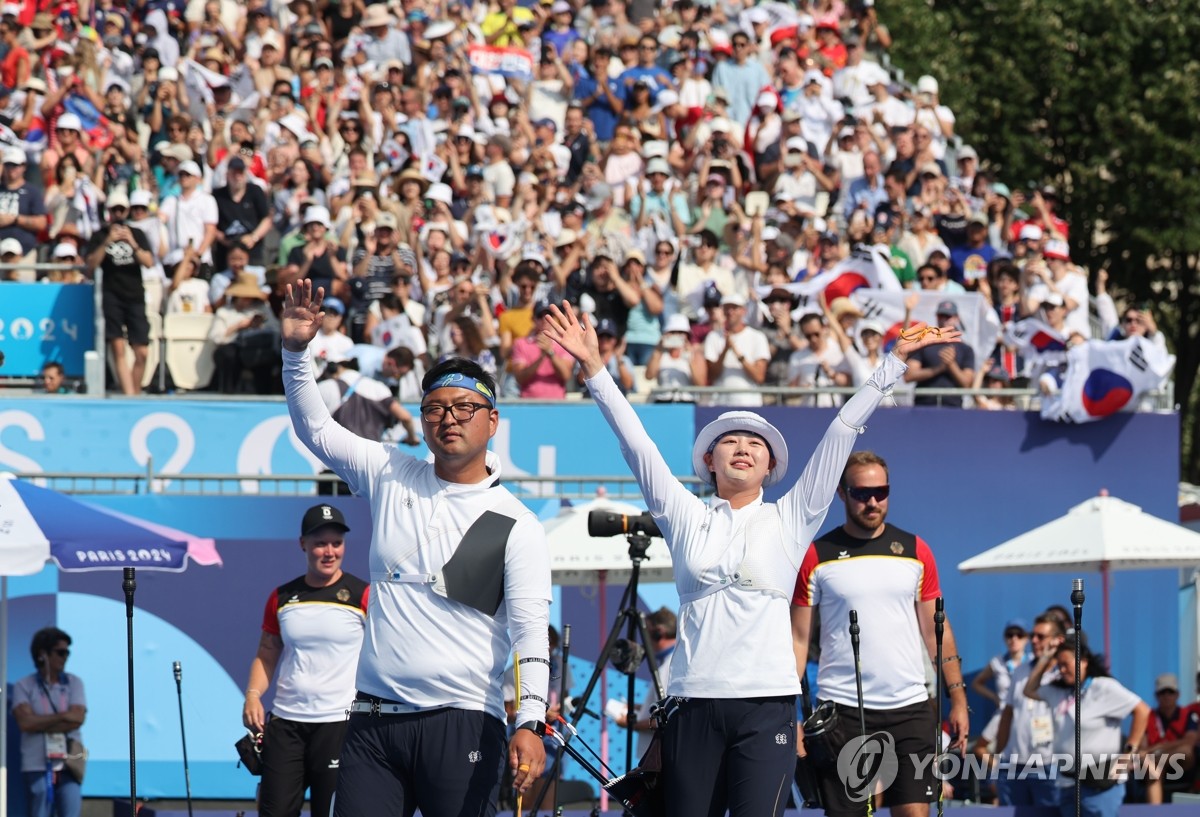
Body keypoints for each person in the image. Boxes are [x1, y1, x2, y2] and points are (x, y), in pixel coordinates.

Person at [542, 301, 959, 817]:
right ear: (709, 462)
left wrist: (893, 361)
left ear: (771, 464)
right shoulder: (683, 514)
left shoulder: (792, 516)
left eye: (755, 443)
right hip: (693, 702)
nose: (742, 447)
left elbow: (841, 432)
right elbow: (637, 446)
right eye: (729, 442)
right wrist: (595, 369)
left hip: (768, 707)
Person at [281, 280, 551, 816]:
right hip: (373, 723)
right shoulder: (390, 472)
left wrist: (532, 722)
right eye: (434, 408)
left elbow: (529, 632)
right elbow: (314, 427)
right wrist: (294, 352)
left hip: (464, 719)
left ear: (492, 420)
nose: (448, 418)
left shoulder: (517, 522)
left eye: (464, 407)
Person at [791, 450, 970, 817]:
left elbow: (937, 630)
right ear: (842, 494)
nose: (872, 502)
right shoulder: (816, 555)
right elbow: (796, 639)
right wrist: (788, 714)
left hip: (910, 708)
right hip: (841, 710)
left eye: (881, 492)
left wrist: (958, 698)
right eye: (861, 493)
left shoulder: (916, 551)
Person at [242, 504, 369, 817]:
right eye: (319, 543)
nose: (329, 551)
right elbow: (268, 652)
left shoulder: (362, 595)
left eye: (336, 543)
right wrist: (253, 695)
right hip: (287, 724)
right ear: (303, 544)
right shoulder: (282, 597)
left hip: (339, 724)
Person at [1024, 630, 1150, 817]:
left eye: (1066, 664)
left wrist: (1128, 753)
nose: (1062, 670)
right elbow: (1029, 690)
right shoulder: (1059, 692)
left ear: (1083, 661)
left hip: (1099, 786)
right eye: (1059, 666)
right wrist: (1047, 656)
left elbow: (1142, 710)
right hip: (1068, 784)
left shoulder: (1103, 687)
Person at [12, 627, 87, 817]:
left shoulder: (73, 683)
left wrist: (40, 721)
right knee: (39, 811)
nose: (65, 657)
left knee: (71, 811)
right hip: (37, 763)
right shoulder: (24, 685)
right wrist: (63, 716)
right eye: (60, 652)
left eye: (67, 652)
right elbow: (25, 723)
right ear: (42, 655)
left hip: (68, 762)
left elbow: (77, 718)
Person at [993, 613, 1066, 807]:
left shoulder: (1065, 675)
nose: (1034, 641)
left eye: (1041, 636)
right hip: (1013, 766)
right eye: (1033, 635)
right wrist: (998, 759)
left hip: (1049, 765)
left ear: (1057, 640)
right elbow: (1007, 714)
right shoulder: (1020, 670)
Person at [614, 607, 677, 758]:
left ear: (658, 632)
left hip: (660, 759)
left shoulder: (671, 666)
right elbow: (666, 706)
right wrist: (636, 707)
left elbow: (668, 718)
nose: (643, 638)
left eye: (646, 631)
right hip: (657, 758)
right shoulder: (669, 663)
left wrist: (630, 724)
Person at [1139, 672, 1198, 804]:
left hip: (1182, 766)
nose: (1166, 696)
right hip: (1154, 766)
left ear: (1177, 695)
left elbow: (1189, 741)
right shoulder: (1147, 717)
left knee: (1185, 751)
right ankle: (1155, 812)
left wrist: (1159, 749)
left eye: (1170, 692)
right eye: (1162, 693)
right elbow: (1142, 748)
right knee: (1150, 765)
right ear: (1156, 696)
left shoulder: (1188, 714)